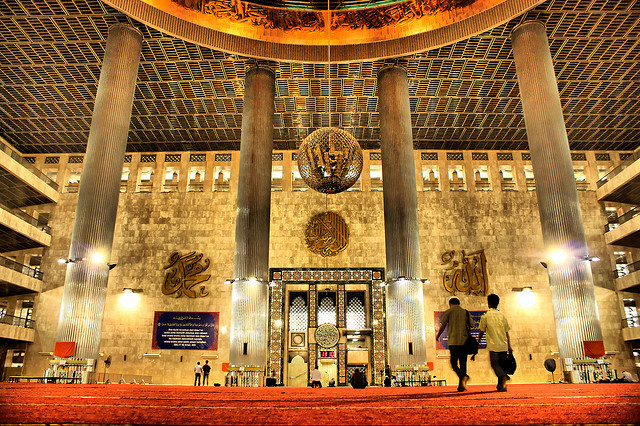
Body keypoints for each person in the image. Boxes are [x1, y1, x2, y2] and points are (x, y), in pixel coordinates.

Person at [436, 297, 475, 391]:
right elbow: (472, 324)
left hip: (454, 341)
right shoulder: (465, 312)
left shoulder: (448, 312)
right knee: (463, 363)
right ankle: (462, 385)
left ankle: (463, 376)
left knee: (453, 363)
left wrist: (438, 335)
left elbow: (443, 325)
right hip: (464, 341)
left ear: (450, 304)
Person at [477, 293, 512, 392]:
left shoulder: (486, 316)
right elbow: (506, 333)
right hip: (503, 345)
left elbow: (481, 331)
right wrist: (509, 346)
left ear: (488, 303)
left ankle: (504, 376)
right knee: (501, 365)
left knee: (495, 365)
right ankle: (501, 386)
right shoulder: (502, 316)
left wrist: (478, 343)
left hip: (493, 346)